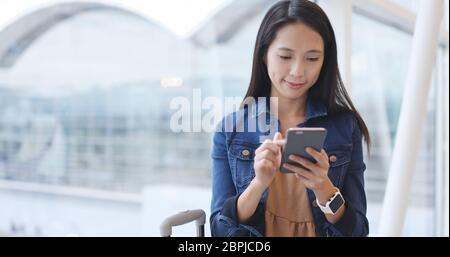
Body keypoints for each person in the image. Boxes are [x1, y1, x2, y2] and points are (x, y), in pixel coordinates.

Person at [210, 0, 370, 237]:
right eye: (285, 56)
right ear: (264, 55)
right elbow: (219, 230)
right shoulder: (231, 129)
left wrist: (324, 187)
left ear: (325, 61)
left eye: (312, 58)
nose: (298, 71)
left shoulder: (345, 128)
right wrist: (258, 184)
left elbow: (358, 231)